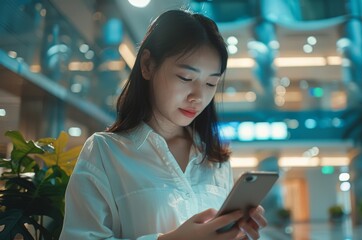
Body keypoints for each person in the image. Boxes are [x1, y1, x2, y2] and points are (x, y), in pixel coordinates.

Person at [60, 9, 267, 240]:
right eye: (186, 78)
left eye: (211, 83)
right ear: (147, 65)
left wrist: (237, 232)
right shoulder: (105, 152)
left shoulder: (214, 159)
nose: (198, 96)